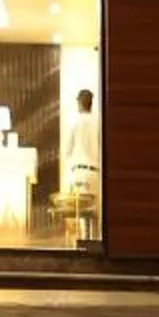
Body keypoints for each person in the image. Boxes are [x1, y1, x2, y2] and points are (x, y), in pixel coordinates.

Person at [60, 86, 98, 245]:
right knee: (95, 213)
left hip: (78, 172)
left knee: (78, 211)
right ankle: (95, 244)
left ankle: (79, 245)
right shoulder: (99, 121)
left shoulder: (74, 121)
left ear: (80, 103)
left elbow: (67, 149)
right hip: (96, 172)